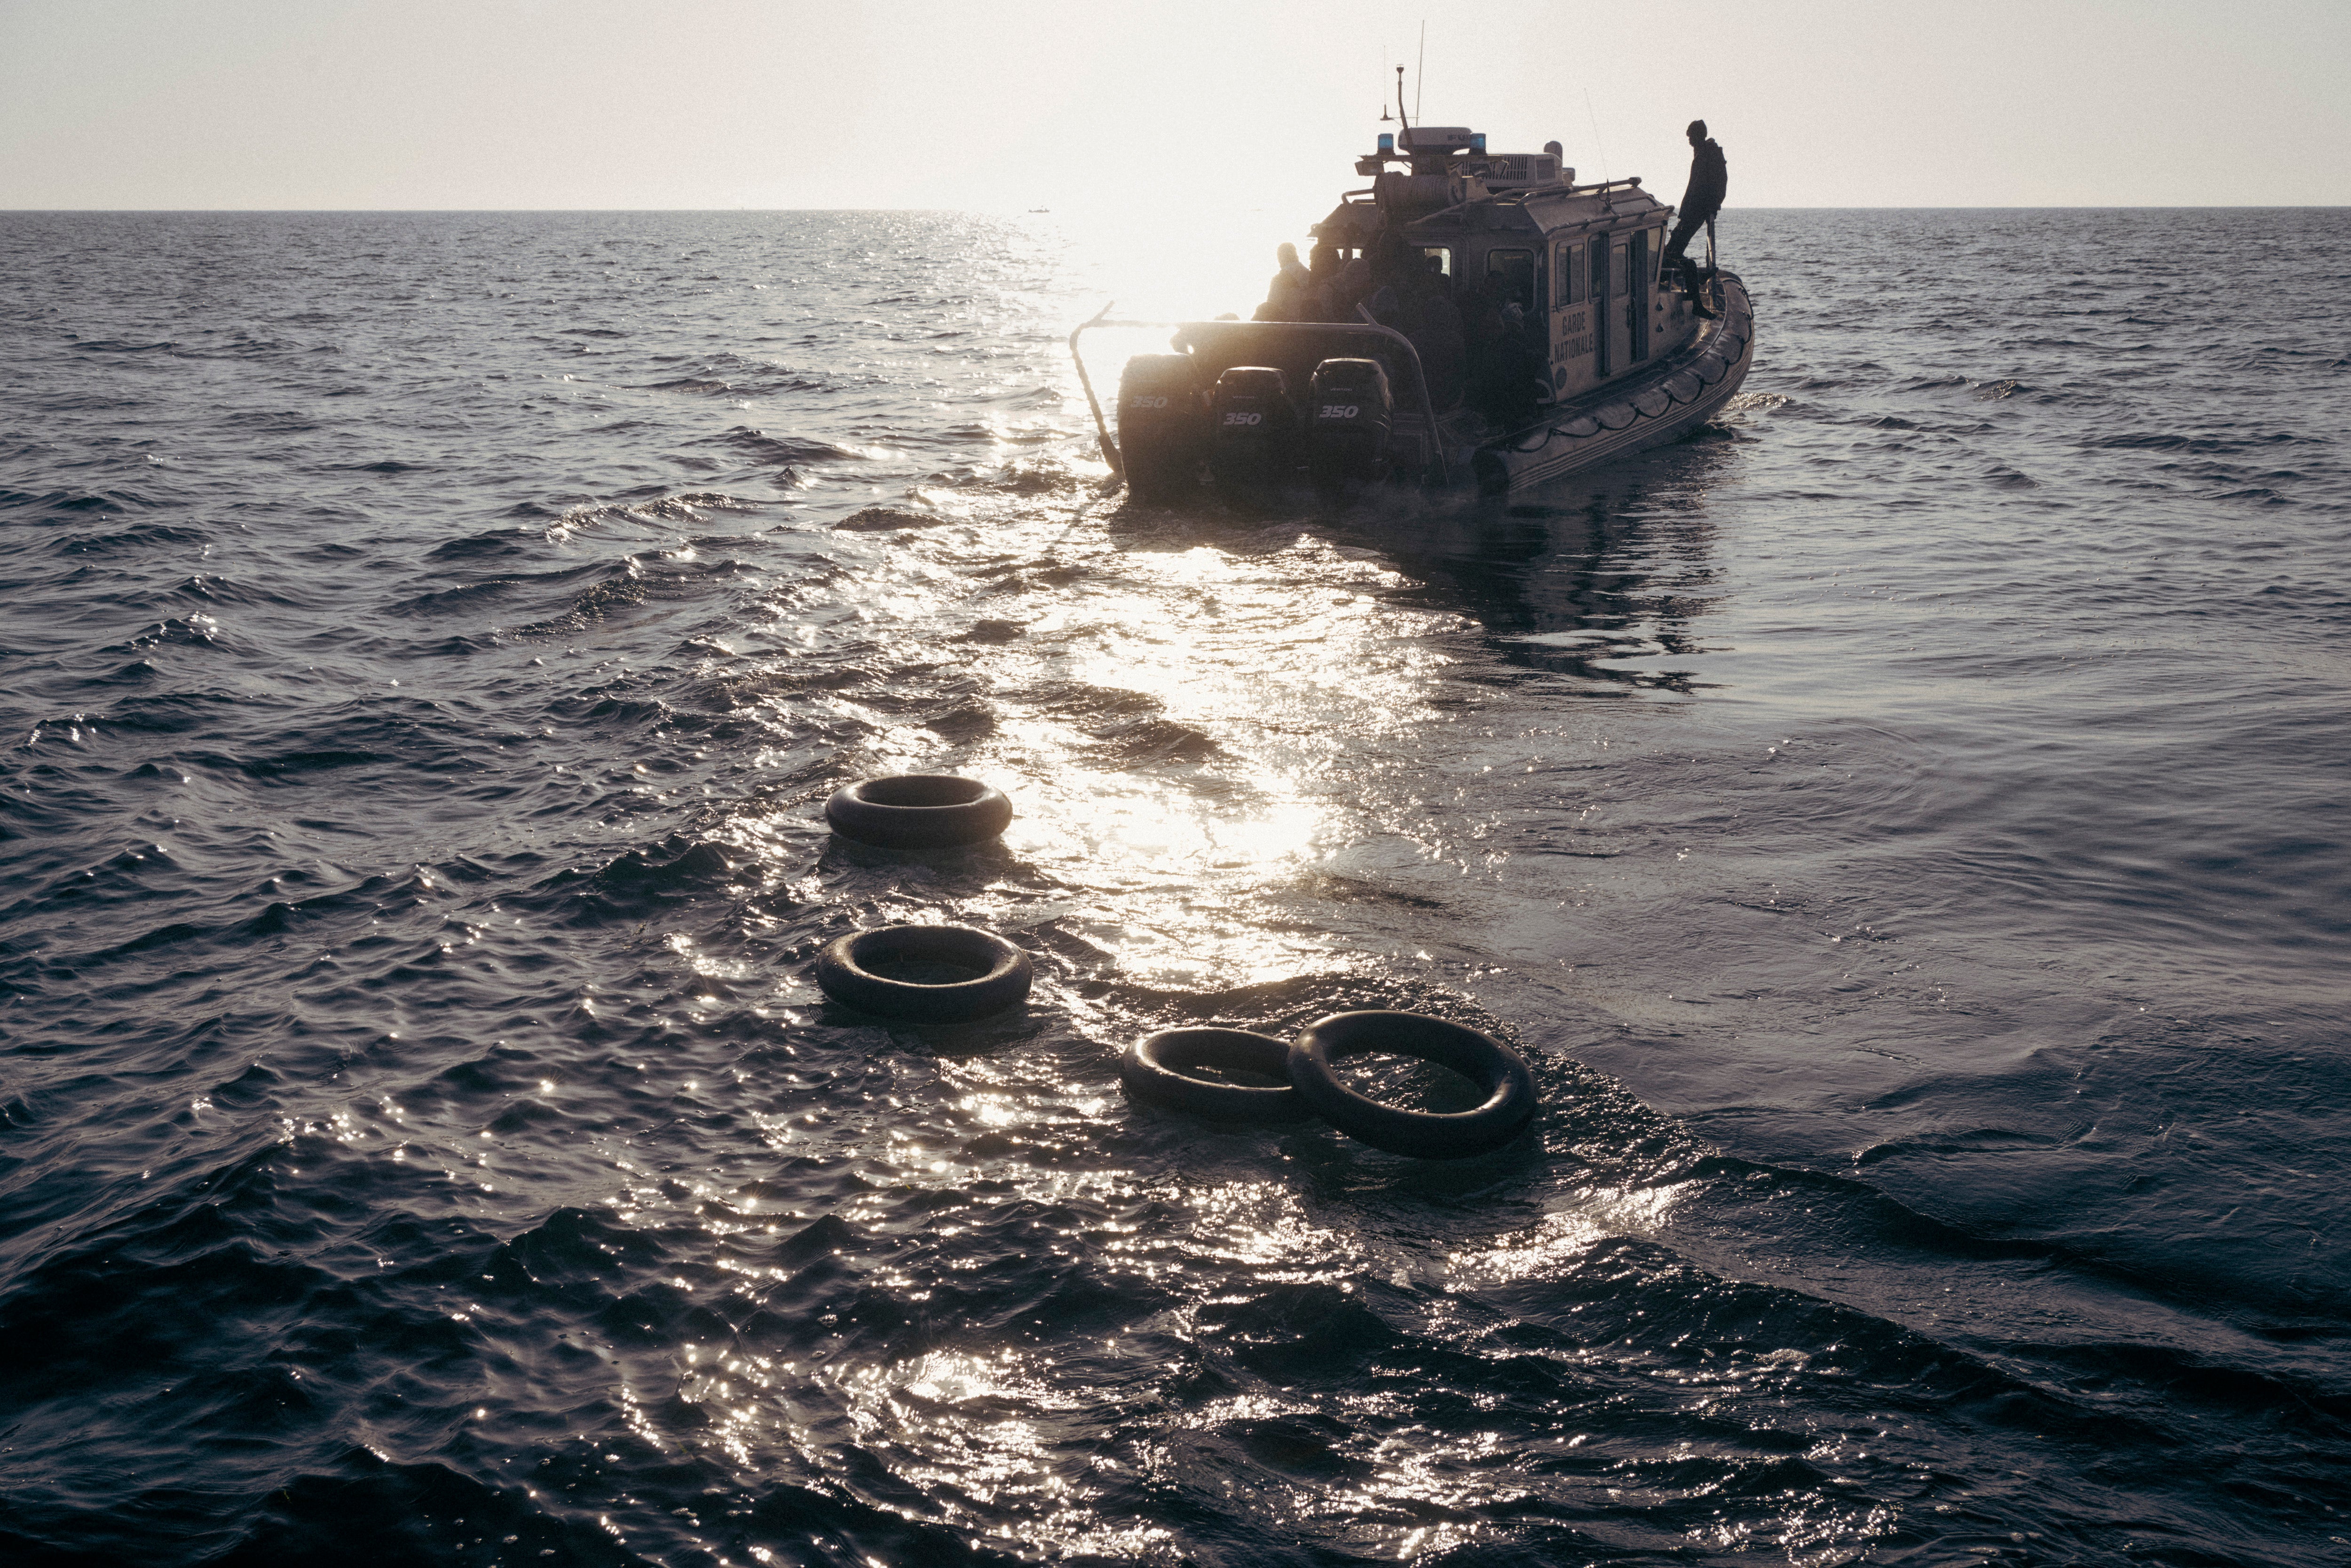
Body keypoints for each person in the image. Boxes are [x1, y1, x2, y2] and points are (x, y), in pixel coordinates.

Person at [1660, 118, 1728, 316]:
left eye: (1691, 137)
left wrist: (1707, 207)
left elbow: (1704, 185)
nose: (1689, 141)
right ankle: (1694, 279)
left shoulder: (1707, 156)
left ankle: (1692, 283)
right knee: (1673, 251)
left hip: (1697, 210)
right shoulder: (1707, 154)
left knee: (1672, 252)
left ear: (1698, 136)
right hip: (1696, 209)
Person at [1255, 241, 1312, 321]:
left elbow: (1271, 306)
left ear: (1281, 258)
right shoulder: (1312, 276)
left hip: (1286, 326)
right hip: (1308, 321)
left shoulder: (1279, 279)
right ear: (1296, 256)